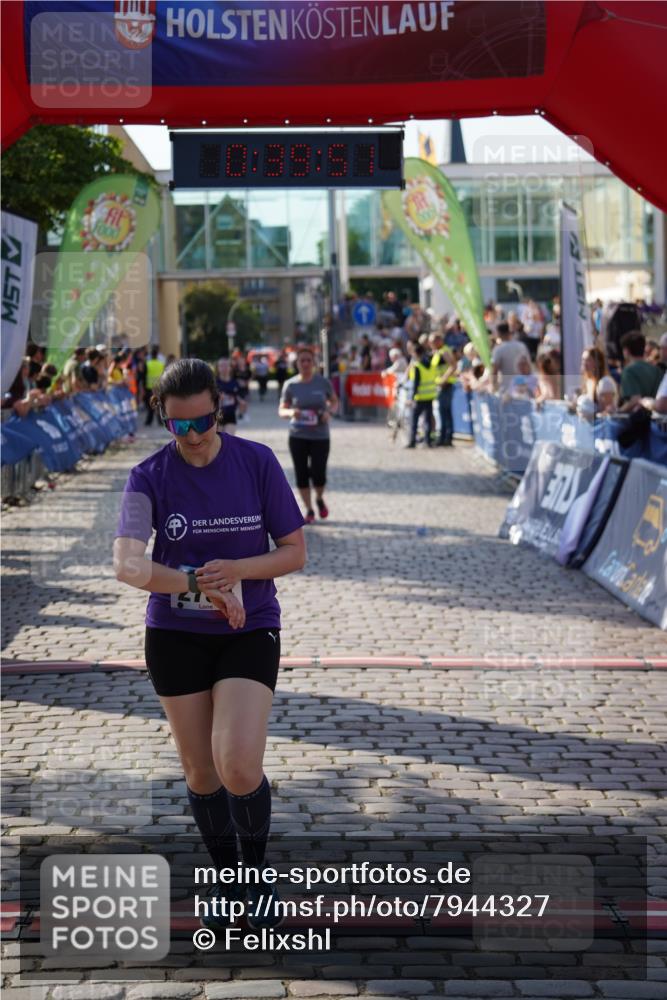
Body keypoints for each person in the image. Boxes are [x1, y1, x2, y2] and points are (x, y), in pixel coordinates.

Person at [113, 358, 306, 930]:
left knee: (238, 764)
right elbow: (127, 565)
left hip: (250, 628)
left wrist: (237, 571)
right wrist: (198, 584)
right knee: (201, 772)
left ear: (219, 410)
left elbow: (294, 551)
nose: (193, 436)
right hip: (175, 636)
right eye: (180, 426)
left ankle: (256, 875)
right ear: (162, 418)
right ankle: (228, 879)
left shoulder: (257, 461)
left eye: (203, 422)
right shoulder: (147, 476)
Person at [279, 345, 338, 524]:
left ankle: (319, 498)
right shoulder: (290, 385)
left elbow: (334, 401)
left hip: (320, 436)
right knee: (301, 474)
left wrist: (329, 412)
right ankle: (309, 509)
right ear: (297, 363)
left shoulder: (322, 382)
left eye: (308, 360)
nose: (305, 364)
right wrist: (291, 412)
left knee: (319, 474)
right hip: (298, 435)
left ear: (314, 363)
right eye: (302, 360)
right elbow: (282, 410)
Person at [618, 330, 663, 408]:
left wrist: (618, 411)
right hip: (658, 413)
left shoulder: (628, 371)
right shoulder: (657, 370)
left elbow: (635, 400)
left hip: (638, 414)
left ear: (626, 350)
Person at [406, 342, 436, 448]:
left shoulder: (417, 366)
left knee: (413, 420)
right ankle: (428, 441)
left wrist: (410, 398)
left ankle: (412, 441)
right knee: (427, 420)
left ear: (415, 353)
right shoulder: (431, 365)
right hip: (430, 396)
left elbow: (415, 384)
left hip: (419, 397)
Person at [430, 333, 456, 446]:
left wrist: (443, 380)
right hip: (441, 385)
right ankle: (444, 437)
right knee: (443, 412)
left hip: (446, 385)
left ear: (439, 341)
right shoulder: (438, 352)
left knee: (445, 411)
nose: (431, 344)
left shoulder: (444, 351)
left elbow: (453, 366)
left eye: (432, 342)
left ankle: (446, 438)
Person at [491, 322, 530, 393]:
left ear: (499, 334)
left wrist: (494, 387)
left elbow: (494, 370)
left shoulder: (498, 349)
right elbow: (528, 367)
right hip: (521, 387)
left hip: (506, 388)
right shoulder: (522, 346)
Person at [215, 356, 244, 435]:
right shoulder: (213, 383)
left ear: (230, 368)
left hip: (231, 415)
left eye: (226, 365)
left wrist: (241, 402)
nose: (224, 368)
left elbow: (238, 397)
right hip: (217, 415)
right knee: (219, 438)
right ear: (218, 368)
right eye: (221, 365)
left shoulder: (235, 383)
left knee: (228, 437)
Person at [144, 345, 165, 426]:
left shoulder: (147, 364)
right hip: (159, 387)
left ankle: (149, 421)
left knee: (151, 404)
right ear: (157, 355)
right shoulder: (161, 364)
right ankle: (160, 421)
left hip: (149, 387)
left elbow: (144, 375)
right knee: (159, 404)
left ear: (151, 355)